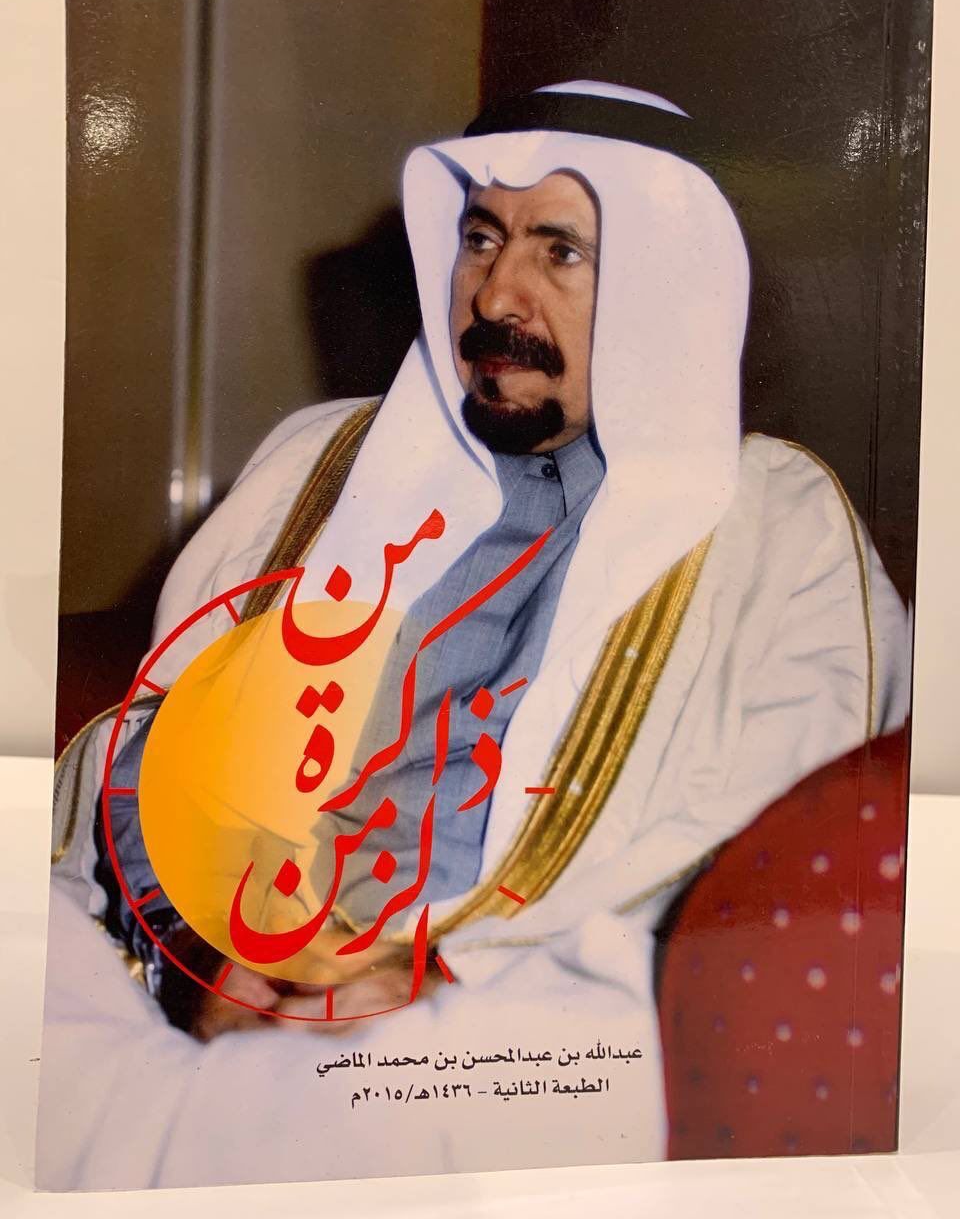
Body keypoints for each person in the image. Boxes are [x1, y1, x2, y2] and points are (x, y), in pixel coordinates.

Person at [41, 80, 909, 1189]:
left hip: (499, 1030)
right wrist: (209, 950)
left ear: (671, 288)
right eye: (482, 237)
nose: (496, 292)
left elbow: (770, 866)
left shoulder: (775, 524)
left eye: (562, 252)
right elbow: (150, 751)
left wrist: (431, 985)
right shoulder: (323, 460)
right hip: (222, 976)